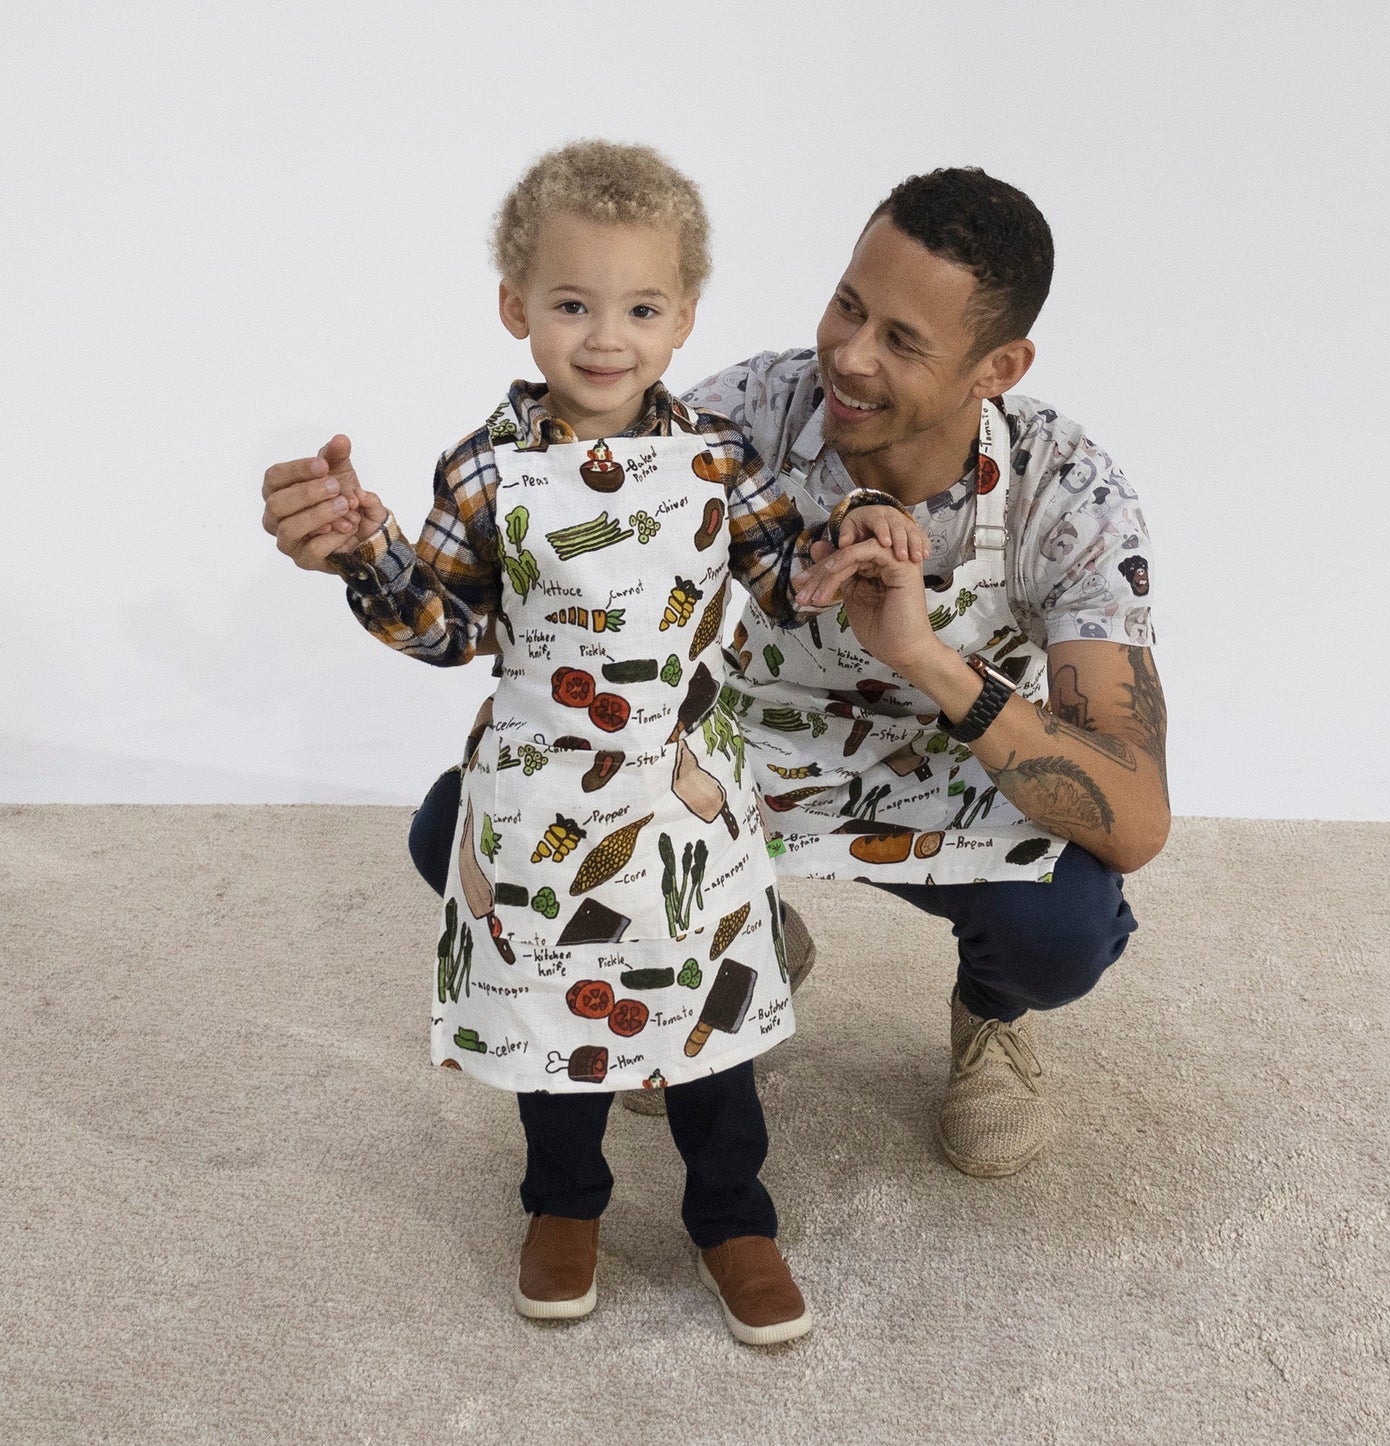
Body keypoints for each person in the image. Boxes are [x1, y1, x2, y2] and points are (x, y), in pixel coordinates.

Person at [260, 140, 924, 1343]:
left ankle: (732, 1218)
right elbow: (451, 630)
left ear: (684, 319)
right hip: (541, 791)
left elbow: (783, 580)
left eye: (641, 308)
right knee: (548, 1015)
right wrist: (367, 553)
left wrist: (855, 532)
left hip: (681, 790)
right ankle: (562, 1203)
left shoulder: (718, 456)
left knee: (706, 1021)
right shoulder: (484, 470)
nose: (605, 337)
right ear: (515, 307)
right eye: (572, 304)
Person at [399, 166, 1171, 1179]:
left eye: (901, 341)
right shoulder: (738, 417)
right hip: (740, 750)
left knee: (1062, 925)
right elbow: (553, 556)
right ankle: (738, 932)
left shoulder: (1064, 494)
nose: (848, 356)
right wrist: (369, 556)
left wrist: (922, 656)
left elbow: (1134, 819)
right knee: (462, 829)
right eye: (848, 305)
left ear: (998, 366)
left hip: (952, 770)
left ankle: (989, 1013)